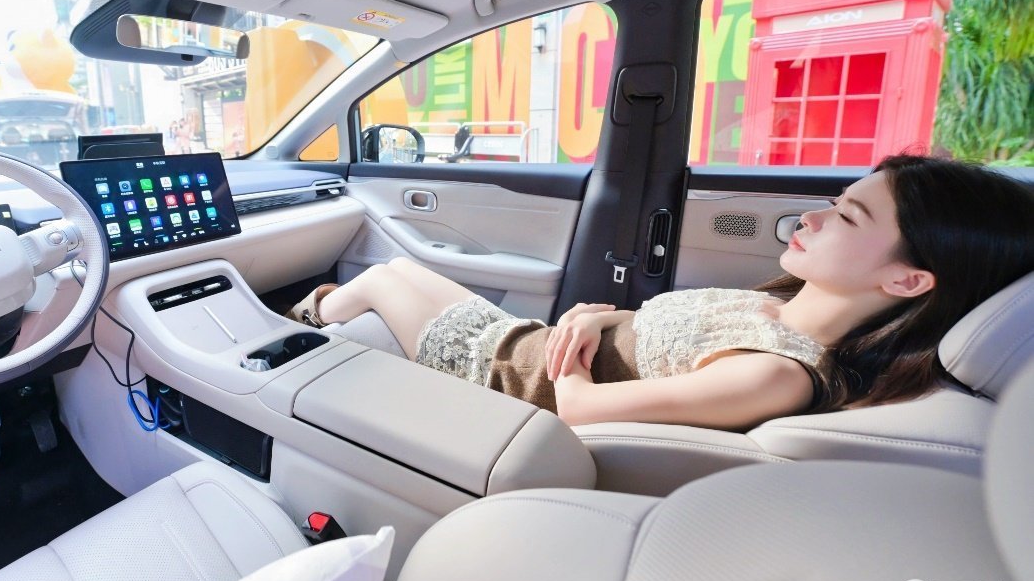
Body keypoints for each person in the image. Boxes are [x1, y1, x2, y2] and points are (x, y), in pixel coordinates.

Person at [286, 155, 1034, 431]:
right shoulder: (774, 307)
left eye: (846, 216)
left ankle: (300, 327)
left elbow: (578, 409)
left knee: (379, 277)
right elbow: (659, 331)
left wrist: (573, 351)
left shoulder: (775, 374)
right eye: (834, 201)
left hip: (508, 375)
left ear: (907, 280)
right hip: (531, 345)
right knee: (393, 277)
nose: (811, 216)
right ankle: (312, 318)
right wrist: (595, 315)